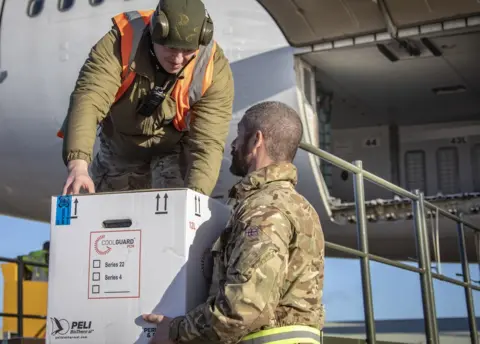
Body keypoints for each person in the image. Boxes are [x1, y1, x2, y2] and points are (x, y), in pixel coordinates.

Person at [142, 101, 326, 344]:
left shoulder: (264, 210)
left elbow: (243, 310)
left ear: (256, 140)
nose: (233, 145)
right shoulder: (301, 207)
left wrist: (175, 331)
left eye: (239, 136)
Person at [58, 0, 234, 196]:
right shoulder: (121, 41)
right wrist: (78, 166)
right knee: (107, 216)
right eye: (170, 48)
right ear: (154, 32)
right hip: (119, 150)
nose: (177, 59)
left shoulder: (213, 67)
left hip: (172, 151)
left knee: (174, 213)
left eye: (186, 51)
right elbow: (88, 100)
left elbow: (208, 142)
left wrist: (196, 197)